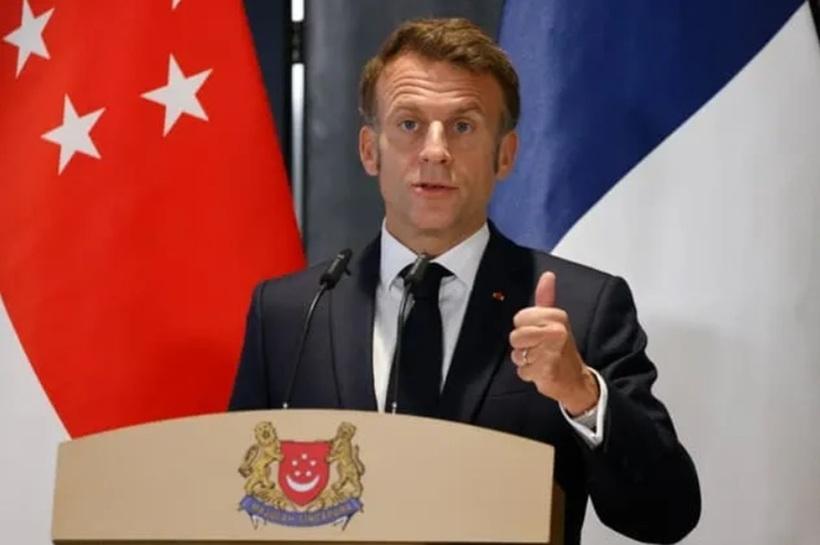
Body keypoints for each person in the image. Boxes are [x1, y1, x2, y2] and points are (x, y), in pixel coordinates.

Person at [230, 18, 700, 544]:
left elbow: (667, 515)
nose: (435, 150)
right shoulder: (292, 313)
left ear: (505, 155)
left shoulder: (582, 309)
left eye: (463, 126)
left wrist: (581, 393)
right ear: (370, 150)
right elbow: (236, 502)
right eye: (409, 123)